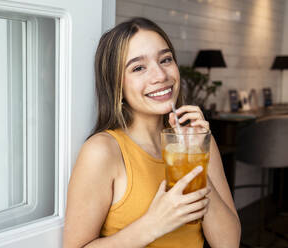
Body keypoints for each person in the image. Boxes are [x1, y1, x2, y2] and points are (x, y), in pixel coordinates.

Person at [63, 17, 241, 248]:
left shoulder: (199, 142)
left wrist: (193, 160)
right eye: (138, 67)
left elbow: (228, 243)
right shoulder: (102, 151)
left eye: (165, 60)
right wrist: (153, 224)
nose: (160, 75)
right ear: (116, 84)